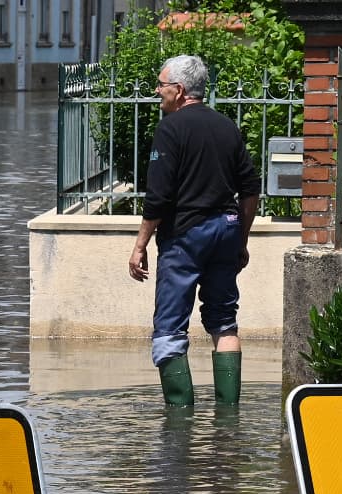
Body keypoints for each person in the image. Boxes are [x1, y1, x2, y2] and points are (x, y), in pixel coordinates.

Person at [127, 55, 261, 407]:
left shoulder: (170, 129)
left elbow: (159, 196)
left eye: (161, 86)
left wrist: (140, 244)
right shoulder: (226, 126)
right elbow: (250, 189)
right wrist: (241, 240)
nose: (158, 92)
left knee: (170, 326)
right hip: (226, 231)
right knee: (224, 321)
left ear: (180, 90)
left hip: (185, 236)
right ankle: (229, 418)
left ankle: (179, 423)